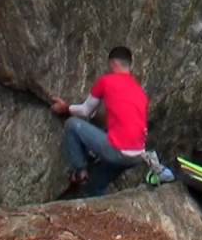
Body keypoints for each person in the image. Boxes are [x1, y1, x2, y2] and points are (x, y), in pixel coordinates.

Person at [51, 45, 149, 196]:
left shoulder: (106, 81)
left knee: (72, 125)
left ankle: (80, 171)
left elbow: (85, 111)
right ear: (129, 65)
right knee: (94, 187)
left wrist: (66, 108)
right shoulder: (140, 91)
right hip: (137, 155)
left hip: (118, 150)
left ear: (113, 63)